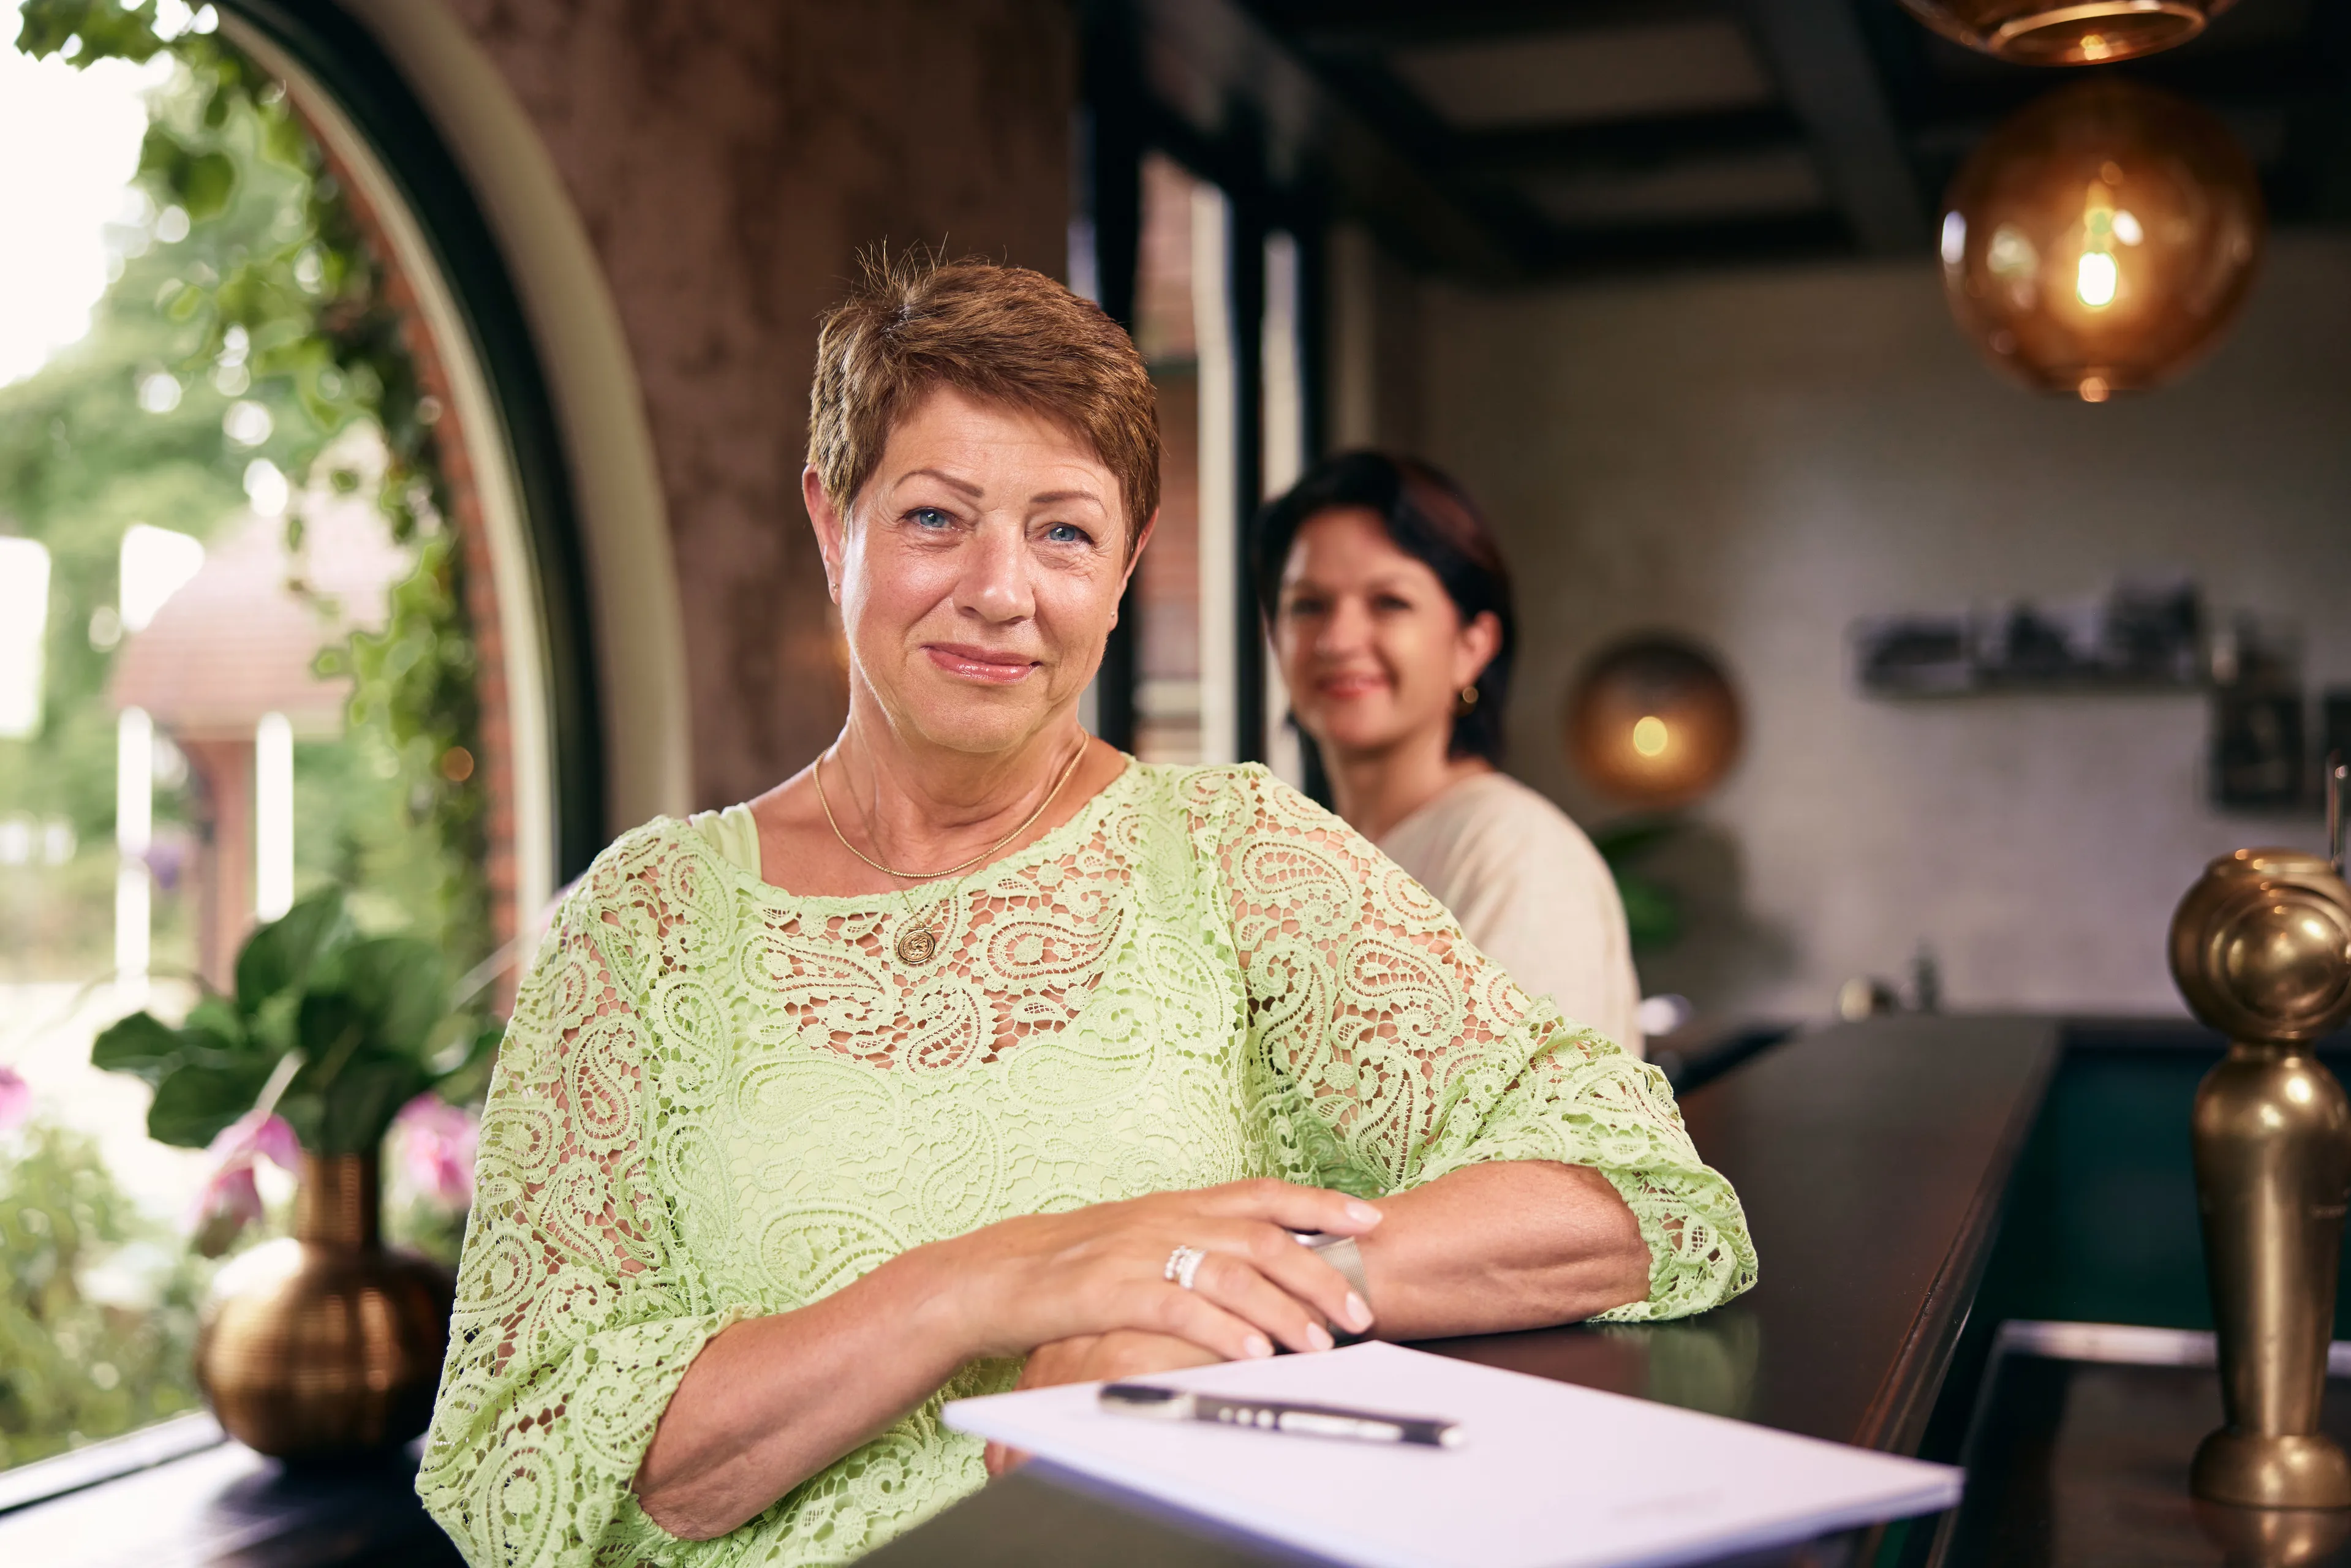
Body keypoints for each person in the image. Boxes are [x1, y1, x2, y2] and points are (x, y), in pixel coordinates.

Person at [418, 257, 1753, 1566]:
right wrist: (978, 1283)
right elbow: (517, 1465)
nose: (1001, 591)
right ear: (833, 525)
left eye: (1063, 530)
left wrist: (1203, 1284)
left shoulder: (1237, 854)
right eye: (935, 517)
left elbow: (1638, 1200)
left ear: (1125, 570)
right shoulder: (638, 924)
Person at [1257, 453, 1645, 1058]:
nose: (1336, 640)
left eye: (1389, 602)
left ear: (1472, 644)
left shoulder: (1515, 855)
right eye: (1308, 605)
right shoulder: (1294, 863)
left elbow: (1532, 1138)